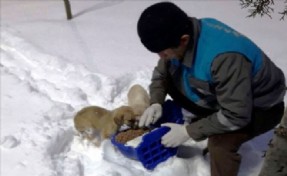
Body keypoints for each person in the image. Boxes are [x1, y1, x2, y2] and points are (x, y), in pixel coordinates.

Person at [136, 2, 286, 176]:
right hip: (230, 94)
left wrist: (188, 132)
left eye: (163, 53)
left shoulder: (225, 58)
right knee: (170, 76)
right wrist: (156, 102)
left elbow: (236, 116)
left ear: (183, 40)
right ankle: (205, 118)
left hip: (260, 108)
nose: (160, 58)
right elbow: (161, 75)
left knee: (219, 143)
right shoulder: (182, 32)